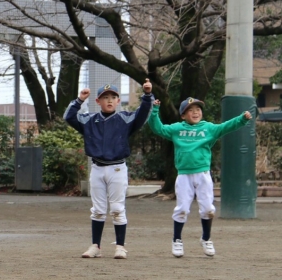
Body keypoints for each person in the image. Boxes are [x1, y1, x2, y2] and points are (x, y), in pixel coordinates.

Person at [148, 97, 252, 258]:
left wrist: (242, 119)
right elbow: (158, 128)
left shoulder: (208, 128)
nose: (195, 112)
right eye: (190, 110)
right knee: (182, 208)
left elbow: (226, 127)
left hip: (203, 174)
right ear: (183, 115)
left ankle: (206, 238)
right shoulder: (177, 129)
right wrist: (154, 111)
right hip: (184, 175)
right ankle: (177, 240)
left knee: (208, 209)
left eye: (198, 109)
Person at [64, 80, 153, 259]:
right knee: (98, 209)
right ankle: (95, 246)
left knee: (117, 208)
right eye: (105, 97)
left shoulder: (125, 119)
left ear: (118, 101)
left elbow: (143, 114)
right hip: (97, 168)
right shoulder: (89, 120)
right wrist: (79, 100)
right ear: (98, 101)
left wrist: (147, 95)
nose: (109, 100)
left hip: (117, 168)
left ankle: (120, 247)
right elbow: (69, 117)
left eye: (113, 97)